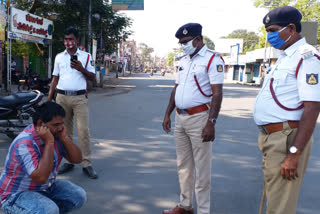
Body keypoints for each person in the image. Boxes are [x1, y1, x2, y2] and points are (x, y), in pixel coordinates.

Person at [254, 6, 320, 214]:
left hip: (286, 139)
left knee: (281, 206)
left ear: (291, 28)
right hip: (272, 138)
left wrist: (294, 153)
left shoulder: (307, 57)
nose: (269, 36)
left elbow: (313, 108)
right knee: (274, 198)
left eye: (273, 30)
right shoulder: (285, 56)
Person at [162, 23, 224, 214]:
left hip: (200, 119)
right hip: (181, 117)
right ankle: (185, 205)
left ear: (198, 39)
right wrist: (167, 114)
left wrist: (211, 122)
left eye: (186, 42)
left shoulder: (213, 59)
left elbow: (217, 93)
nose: (183, 45)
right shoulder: (183, 60)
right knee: (184, 166)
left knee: (202, 170)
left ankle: (203, 210)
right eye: (180, 42)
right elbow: (176, 88)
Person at [0, 102, 86, 214]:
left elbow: (77, 159)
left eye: (62, 124)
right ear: (41, 124)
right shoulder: (25, 143)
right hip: (15, 195)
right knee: (49, 210)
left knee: (78, 196)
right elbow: (40, 178)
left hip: (45, 188)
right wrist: (49, 143)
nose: (60, 128)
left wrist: (65, 138)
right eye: (56, 125)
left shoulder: (57, 135)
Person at [48, 27, 98, 179]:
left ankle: (86, 163)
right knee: (63, 132)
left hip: (79, 98)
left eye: (70, 39)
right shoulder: (59, 57)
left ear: (77, 40)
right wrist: (49, 99)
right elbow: (55, 78)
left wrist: (81, 69)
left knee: (83, 131)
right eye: (66, 39)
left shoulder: (86, 56)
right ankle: (68, 161)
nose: (68, 42)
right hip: (62, 97)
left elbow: (93, 78)